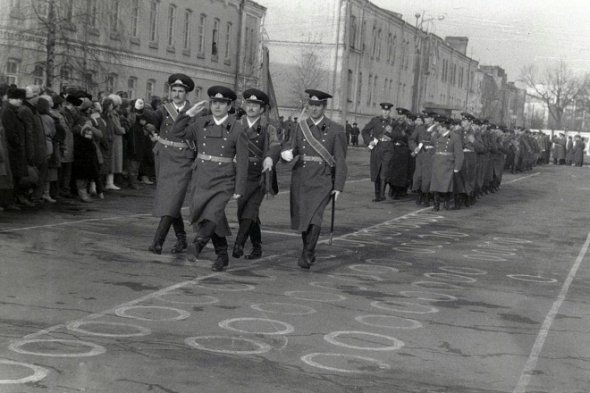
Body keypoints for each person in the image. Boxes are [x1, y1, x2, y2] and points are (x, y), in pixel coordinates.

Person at [171, 85, 248, 272]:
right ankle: (222, 255)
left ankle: (198, 244)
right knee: (211, 217)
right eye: (214, 102)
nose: (217, 106)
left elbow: (244, 162)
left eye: (222, 103)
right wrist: (188, 114)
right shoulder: (201, 122)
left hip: (224, 178)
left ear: (229, 106)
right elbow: (177, 132)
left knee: (213, 213)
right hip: (202, 176)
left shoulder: (237, 128)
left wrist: (239, 189)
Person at [280, 89, 347, 270]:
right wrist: (286, 153)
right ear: (307, 105)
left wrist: (338, 185)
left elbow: (340, 159)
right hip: (301, 177)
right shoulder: (299, 127)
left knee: (315, 216)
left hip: (323, 178)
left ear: (324, 107)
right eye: (311, 105)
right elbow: (291, 147)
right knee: (304, 217)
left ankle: (307, 253)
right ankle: (308, 249)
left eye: (318, 105)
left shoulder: (336, 130)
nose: (314, 109)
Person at [148, 73, 197, 255]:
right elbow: (151, 119)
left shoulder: (194, 112)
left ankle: (157, 242)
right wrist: (149, 127)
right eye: (174, 90)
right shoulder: (163, 109)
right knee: (170, 199)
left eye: (180, 91)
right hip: (164, 157)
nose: (176, 94)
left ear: (186, 93)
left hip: (183, 159)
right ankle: (181, 238)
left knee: (173, 198)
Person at [232, 88, 281, 260]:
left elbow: (275, 146)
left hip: (260, 174)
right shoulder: (236, 125)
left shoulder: (268, 128)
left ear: (262, 109)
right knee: (243, 211)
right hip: (240, 173)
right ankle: (257, 246)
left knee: (251, 208)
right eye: (249, 104)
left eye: (256, 105)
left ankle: (239, 244)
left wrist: (269, 158)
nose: (251, 108)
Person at [361, 102, 395, 202]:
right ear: (381, 111)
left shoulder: (393, 122)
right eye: (384, 110)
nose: (385, 112)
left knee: (384, 172)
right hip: (377, 148)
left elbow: (398, 135)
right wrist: (369, 141)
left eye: (387, 111)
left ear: (390, 111)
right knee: (376, 171)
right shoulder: (375, 121)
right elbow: (364, 131)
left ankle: (381, 195)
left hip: (388, 148)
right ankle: (377, 195)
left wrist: (392, 133)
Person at [429, 118, 464, 211]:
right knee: (436, 185)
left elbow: (459, 154)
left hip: (448, 164)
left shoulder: (455, 137)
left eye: (439, 127)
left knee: (447, 186)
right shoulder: (436, 136)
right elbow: (430, 142)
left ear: (444, 127)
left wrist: (457, 167)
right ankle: (436, 205)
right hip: (437, 163)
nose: (437, 129)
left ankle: (447, 203)